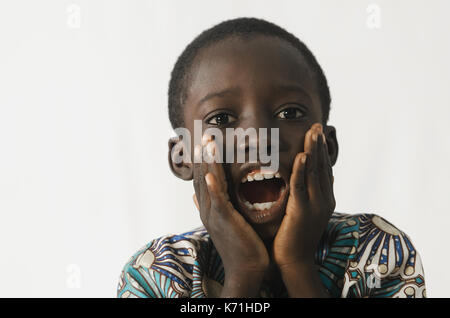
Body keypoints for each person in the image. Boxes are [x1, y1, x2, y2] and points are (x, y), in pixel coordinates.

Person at [117, 17, 426, 298]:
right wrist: (243, 272)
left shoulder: (377, 252)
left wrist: (297, 264)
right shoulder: (156, 273)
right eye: (222, 119)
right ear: (183, 156)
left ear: (327, 147)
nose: (258, 137)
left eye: (289, 113)